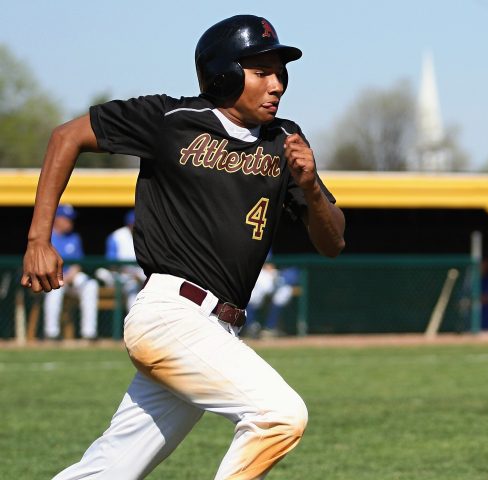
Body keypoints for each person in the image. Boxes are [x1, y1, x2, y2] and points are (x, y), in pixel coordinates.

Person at [21, 14, 345, 480]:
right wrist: (39, 238)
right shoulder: (169, 120)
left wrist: (311, 188)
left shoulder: (284, 141)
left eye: (281, 72)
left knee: (107, 472)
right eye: (262, 71)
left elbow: (332, 242)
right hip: (170, 314)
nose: (278, 84)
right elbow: (66, 136)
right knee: (279, 415)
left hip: (218, 330)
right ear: (224, 74)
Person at [42, 204, 98, 340]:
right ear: (57, 219)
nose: (70, 222)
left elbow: (78, 263)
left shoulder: (74, 237)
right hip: (51, 278)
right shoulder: (46, 237)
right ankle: (51, 333)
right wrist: (62, 278)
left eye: (71, 219)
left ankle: (89, 333)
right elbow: (44, 263)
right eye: (67, 219)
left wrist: (70, 276)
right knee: (56, 289)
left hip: (70, 277)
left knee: (91, 285)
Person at [95, 209, 146, 313]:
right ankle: (133, 322)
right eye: (133, 224)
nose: (136, 226)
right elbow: (112, 265)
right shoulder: (116, 236)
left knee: (136, 285)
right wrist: (131, 273)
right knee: (101, 273)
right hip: (119, 276)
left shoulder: (146, 236)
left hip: (139, 276)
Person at [244, 256, 300, 339]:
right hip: (263, 271)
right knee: (255, 295)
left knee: (284, 292)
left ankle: (270, 328)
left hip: (281, 273)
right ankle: (251, 326)